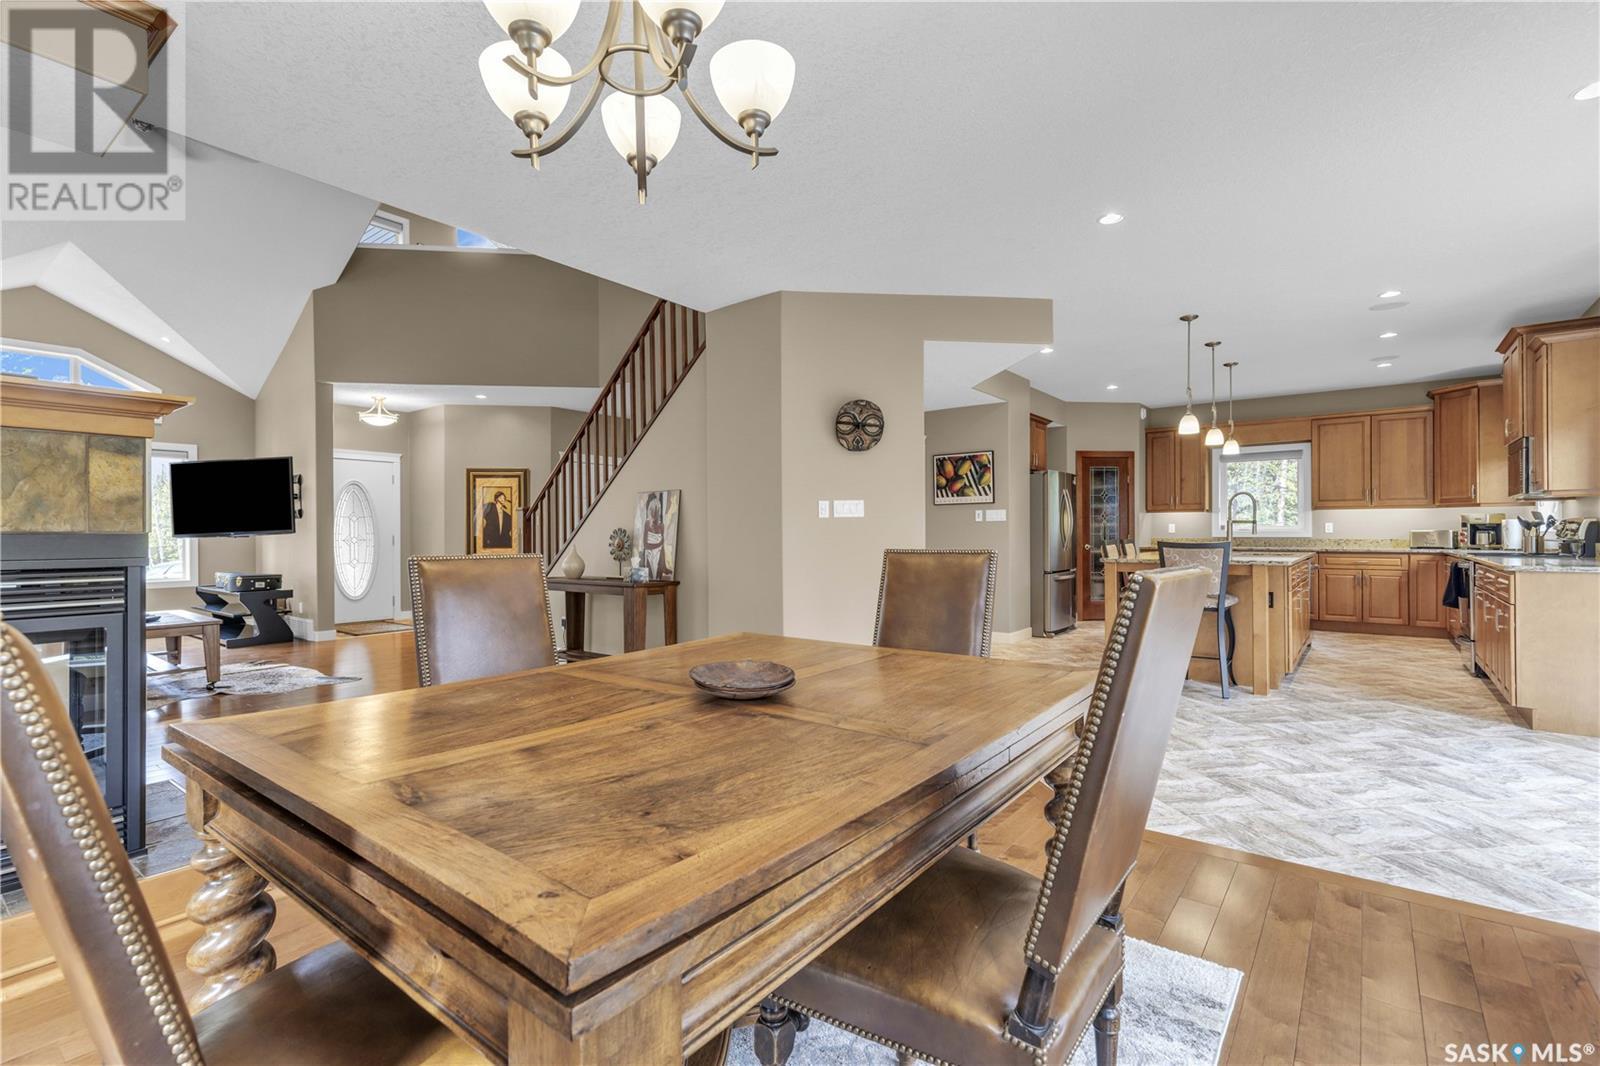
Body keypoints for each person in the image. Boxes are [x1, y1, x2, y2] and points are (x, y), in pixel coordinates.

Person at [641, 494, 665, 577]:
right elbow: (646, 545)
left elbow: (662, 549)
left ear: (659, 511)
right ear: (649, 510)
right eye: (652, 510)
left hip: (658, 557)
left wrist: (664, 565)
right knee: (650, 578)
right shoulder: (647, 523)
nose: (654, 513)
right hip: (649, 555)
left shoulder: (661, 526)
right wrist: (659, 544)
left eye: (656, 511)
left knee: (658, 580)